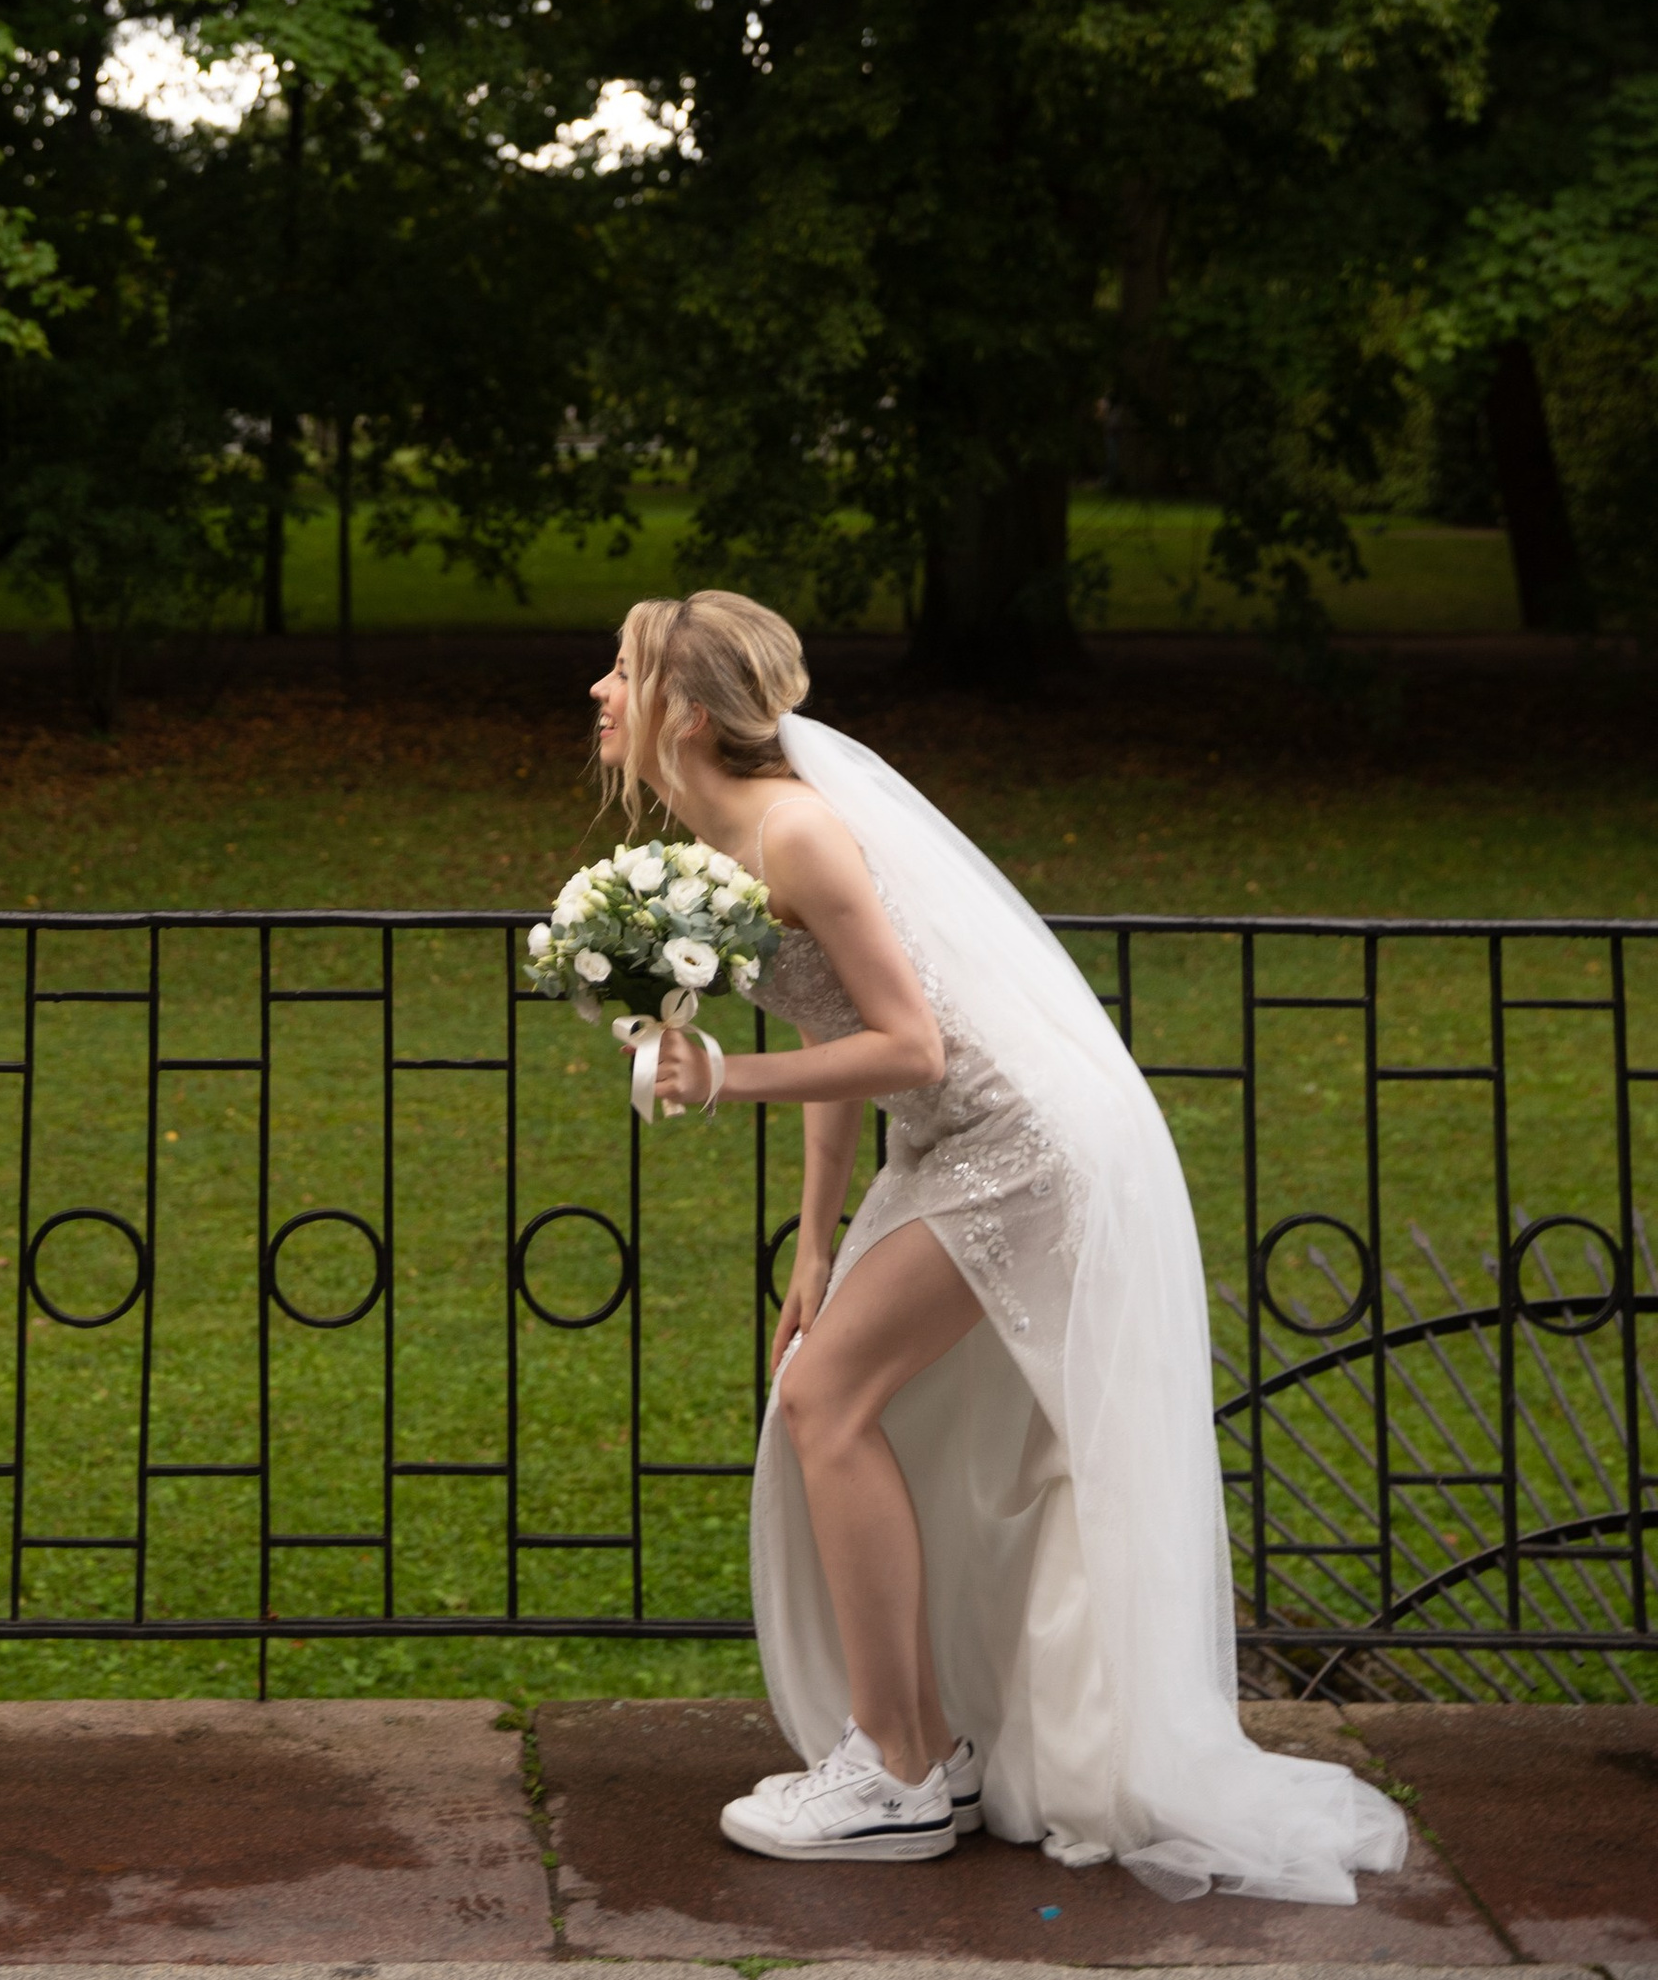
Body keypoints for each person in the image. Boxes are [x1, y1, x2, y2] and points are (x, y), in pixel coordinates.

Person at [598, 590, 1406, 1903]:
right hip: (955, 1147)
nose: (598, 694)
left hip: (1022, 1145)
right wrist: (813, 1247)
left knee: (826, 1404)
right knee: (839, 1400)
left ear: (684, 711)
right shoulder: (733, 832)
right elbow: (832, 1031)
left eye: (618, 672)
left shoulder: (795, 831)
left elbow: (909, 1045)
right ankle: (925, 1755)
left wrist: (717, 1080)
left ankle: (902, 1774)